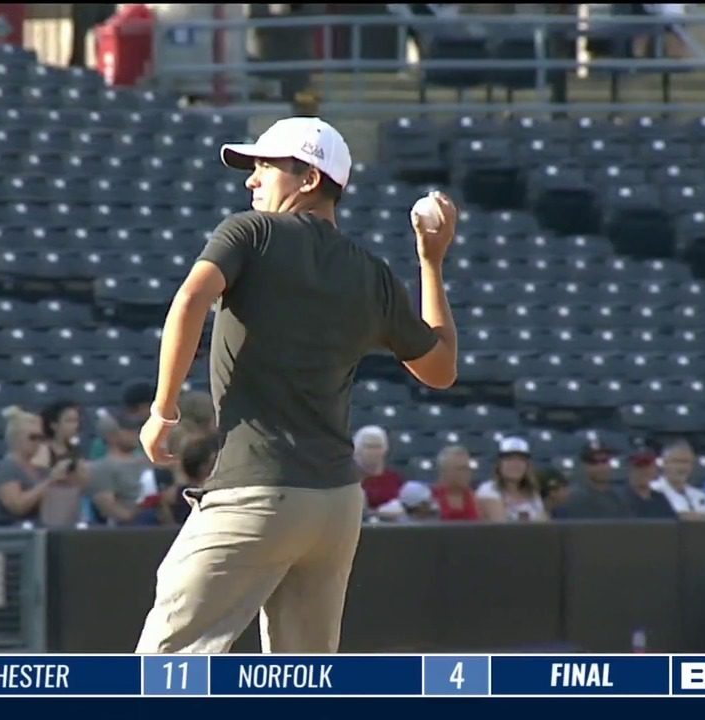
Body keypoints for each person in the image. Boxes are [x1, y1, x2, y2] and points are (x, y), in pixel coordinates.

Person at [134, 116, 459, 654]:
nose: (251, 180)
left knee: (161, 671)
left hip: (257, 489)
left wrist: (163, 410)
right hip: (333, 506)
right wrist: (431, 262)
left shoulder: (249, 232)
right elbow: (441, 369)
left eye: (264, 166)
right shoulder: (372, 272)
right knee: (301, 688)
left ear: (308, 178)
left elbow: (190, 300)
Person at [0, 406, 84, 527]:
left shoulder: (40, 468)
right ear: (16, 437)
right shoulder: (8, 467)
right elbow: (17, 506)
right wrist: (50, 481)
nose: (38, 442)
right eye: (33, 437)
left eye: (41, 438)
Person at [87, 409, 152, 526]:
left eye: (135, 429)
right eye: (128, 430)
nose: (135, 433)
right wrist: (136, 516)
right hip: (129, 529)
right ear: (110, 436)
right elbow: (107, 505)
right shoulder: (101, 468)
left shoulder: (148, 461)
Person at [553, 441, 633, 520]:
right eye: (593, 462)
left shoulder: (621, 499)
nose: (600, 467)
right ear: (584, 465)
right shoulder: (572, 499)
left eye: (604, 461)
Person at [475, 437, 547, 522]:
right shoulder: (488, 490)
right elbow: (501, 527)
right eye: (509, 459)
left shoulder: (533, 494)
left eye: (521, 460)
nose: (515, 464)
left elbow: (543, 525)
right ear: (499, 464)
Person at [651, 439, 705, 520]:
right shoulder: (652, 491)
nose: (682, 467)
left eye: (686, 462)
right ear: (664, 463)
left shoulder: (700, 497)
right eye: (676, 461)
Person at [623, 439, 677, 520]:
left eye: (648, 465)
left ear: (655, 469)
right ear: (629, 469)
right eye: (639, 465)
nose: (643, 470)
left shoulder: (660, 500)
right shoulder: (619, 501)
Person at [355, 425, 406, 511]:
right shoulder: (349, 478)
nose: (374, 452)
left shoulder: (393, 478)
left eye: (378, 447)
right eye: (369, 447)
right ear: (358, 449)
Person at [431, 445, 479, 522]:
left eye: (468, 468)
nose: (467, 472)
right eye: (461, 469)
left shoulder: (478, 500)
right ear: (443, 471)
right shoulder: (428, 499)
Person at [40, 400, 82, 467]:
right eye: (69, 421)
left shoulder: (74, 449)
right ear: (54, 425)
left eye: (76, 420)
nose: (75, 426)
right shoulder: (43, 450)